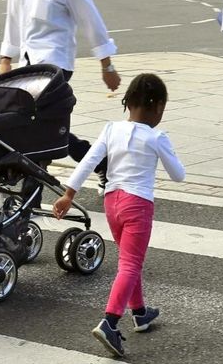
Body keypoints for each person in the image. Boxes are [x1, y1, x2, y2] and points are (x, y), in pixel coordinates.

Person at [53, 73, 185, 357]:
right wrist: (165, 149)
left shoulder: (111, 129)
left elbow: (89, 161)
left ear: (128, 103)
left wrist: (69, 194)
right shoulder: (157, 136)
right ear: (159, 107)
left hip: (112, 202)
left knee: (128, 259)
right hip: (137, 204)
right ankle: (110, 322)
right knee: (131, 264)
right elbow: (178, 175)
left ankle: (139, 313)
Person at [0, 0, 121, 197]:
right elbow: (13, 19)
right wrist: (6, 58)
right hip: (28, 64)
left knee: (37, 128)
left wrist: (107, 65)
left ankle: (30, 195)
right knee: (47, 129)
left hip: (56, 65)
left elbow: (91, 22)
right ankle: (101, 162)